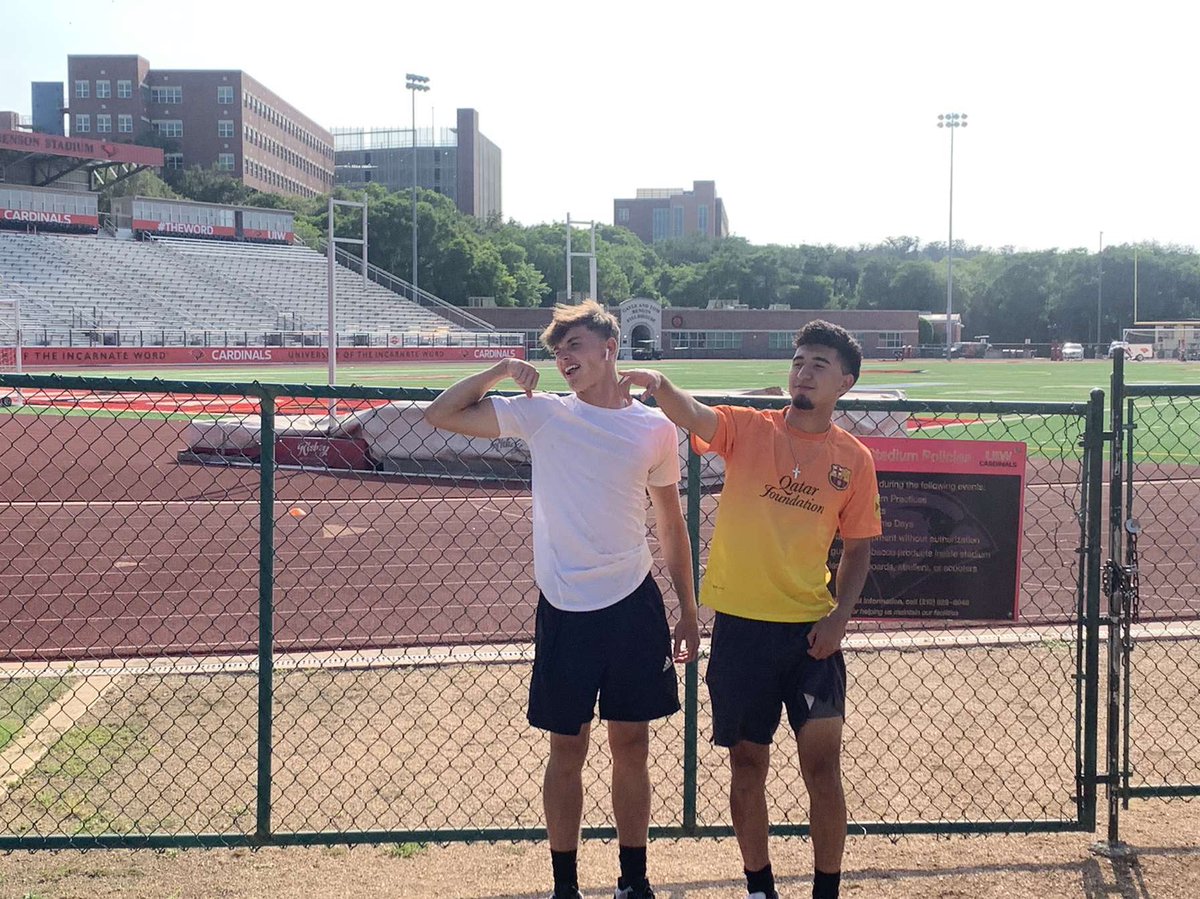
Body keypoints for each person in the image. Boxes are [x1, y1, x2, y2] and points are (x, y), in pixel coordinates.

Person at [423, 300, 699, 899]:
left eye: (574, 346)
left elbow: (671, 523)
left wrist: (689, 608)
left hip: (632, 604)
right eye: (556, 350)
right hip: (566, 608)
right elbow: (440, 413)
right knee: (566, 746)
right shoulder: (543, 414)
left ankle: (634, 880)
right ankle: (565, 885)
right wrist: (500, 370)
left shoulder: (654, 428)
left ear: (609, 349)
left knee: (632, 745)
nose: (563, 358)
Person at [619, 320, 881, 899]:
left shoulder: (854, 459)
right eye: (799, 361)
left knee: (822, 768)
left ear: (845, 382)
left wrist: (839, 618)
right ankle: (760, 886)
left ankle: (827, 890)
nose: (803, 372)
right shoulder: (749, 429)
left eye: (818, 365)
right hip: (741, 632)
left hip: (811, 638)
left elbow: (859, 547)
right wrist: (659, 384)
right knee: (747, 764)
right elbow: (694, 416)